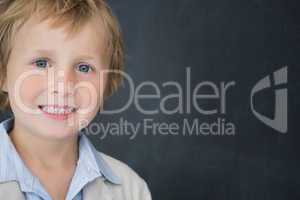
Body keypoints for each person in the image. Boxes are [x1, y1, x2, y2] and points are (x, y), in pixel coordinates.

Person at [0, 0, 152, 199]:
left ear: (106, 85)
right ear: (3, 75)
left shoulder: (131, 189)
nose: (64, 87)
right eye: (41, 63)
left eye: (84, 68)